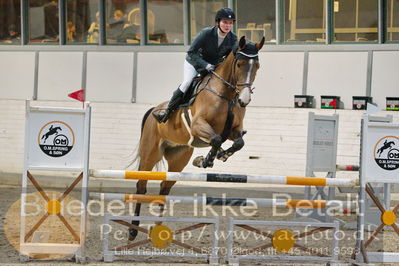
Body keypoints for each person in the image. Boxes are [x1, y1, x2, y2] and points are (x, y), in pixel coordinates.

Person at [153, 7, 237, 123]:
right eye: (224, 22)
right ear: (218, 22)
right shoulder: (206, 33)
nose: (227, 25)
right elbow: (191, 52)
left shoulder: (233, 39)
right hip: (194, 62)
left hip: (212, 67)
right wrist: (205, 65)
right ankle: (167, 112)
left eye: (230, 23)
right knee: (187, 82)